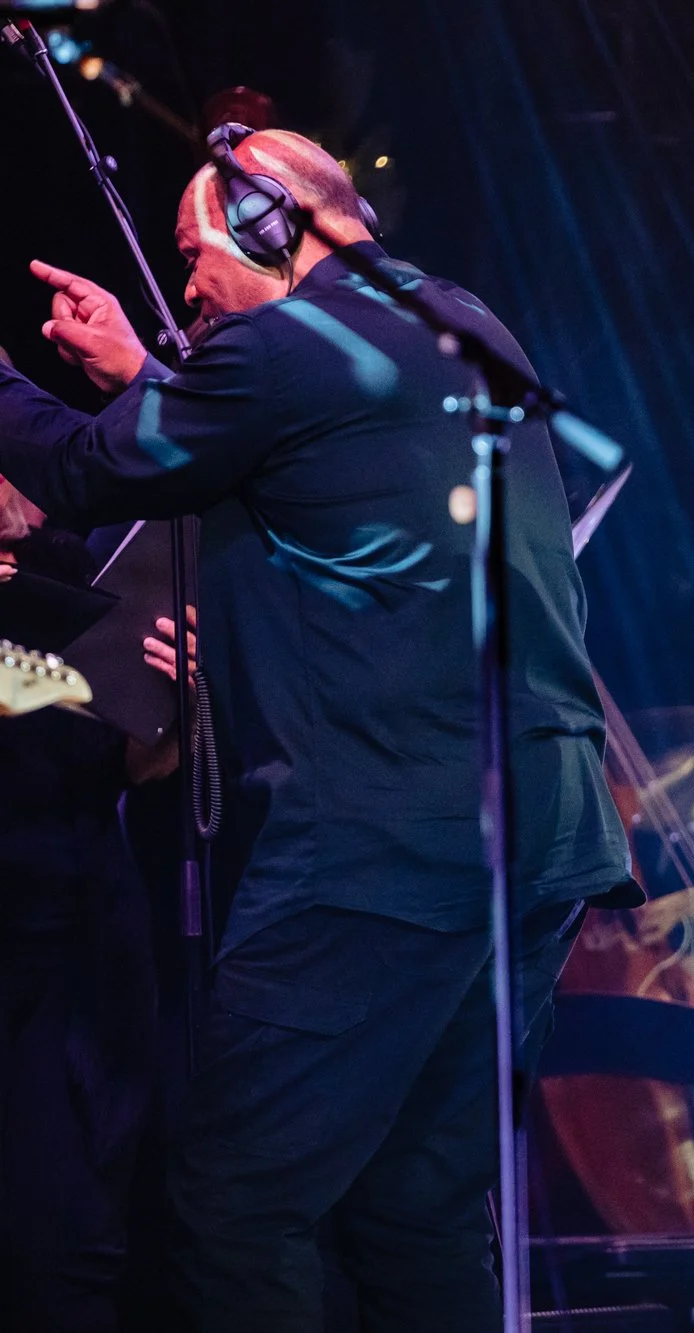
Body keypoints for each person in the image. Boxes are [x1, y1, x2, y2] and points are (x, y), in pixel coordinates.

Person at [0, 128, 631, 1330]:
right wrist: (152, 375)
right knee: (417, 1212)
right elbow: (280, 444)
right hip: (540, 834)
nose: (187, 287)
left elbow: (87, 471)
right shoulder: (460, 320)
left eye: (194, 251)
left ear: (270, 218)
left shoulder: (283, 350)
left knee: (236, 1201)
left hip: (384, 839)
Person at [0, 473, 184, 1332]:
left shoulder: (74, 569)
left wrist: (172, 707)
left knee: (81, 1237)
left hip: (79, 943)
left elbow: (134, 766)